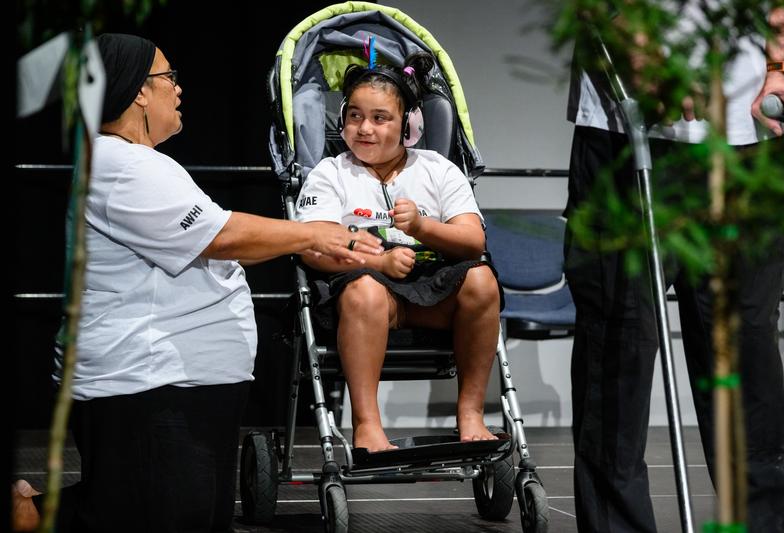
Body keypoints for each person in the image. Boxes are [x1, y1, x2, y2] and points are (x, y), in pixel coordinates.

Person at [11, 33, 383, 533]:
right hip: (148, 384)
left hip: (177, 386)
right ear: (139, 90)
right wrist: (309, 233)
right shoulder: (121, 164)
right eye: (170, 78)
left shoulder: (140, 163)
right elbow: (221, 234)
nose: (179, 90)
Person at [565, 6, 784, 533]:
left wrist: (779, 66)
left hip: (748, 145)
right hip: (629, 135)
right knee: (620, 349)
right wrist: (644, 50)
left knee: (747, 354)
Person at [295, 51, 503, 453]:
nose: (364, 129)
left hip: (431, 294)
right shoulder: (331, 173)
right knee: (366, 291)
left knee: (481, 278)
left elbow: (473, 240)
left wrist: (423, 227)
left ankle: (471, 413)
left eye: (379, 118)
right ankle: (367, 425)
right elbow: (313, 245)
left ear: (408, 125)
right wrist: (378, 261)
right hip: (360, 294)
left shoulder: (438, 169)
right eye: (354, 116)